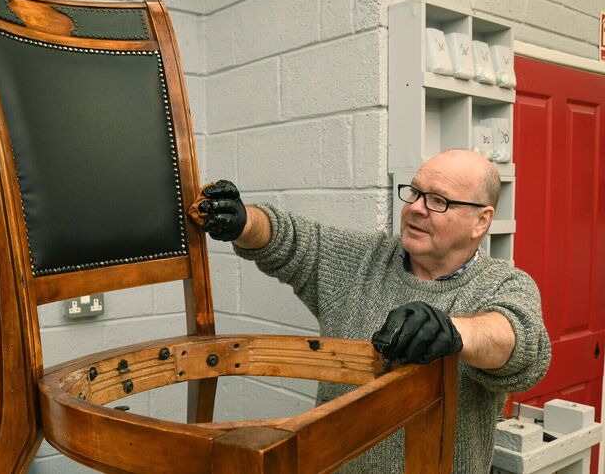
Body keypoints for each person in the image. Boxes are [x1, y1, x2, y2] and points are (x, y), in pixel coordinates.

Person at [192, 148, 550, 474]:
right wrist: (242, 222)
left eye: (438, 200)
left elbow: (519, 342)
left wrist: (454, 332)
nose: (416, 208)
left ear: (481, 221)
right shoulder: (360, 261)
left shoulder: (504, 284)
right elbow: (289, 238)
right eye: (415, 192)